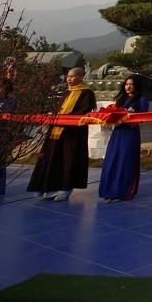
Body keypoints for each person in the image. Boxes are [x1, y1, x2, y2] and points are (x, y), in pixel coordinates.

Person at [27, 67, 97, 202]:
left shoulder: (86, 93)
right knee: (53, 157)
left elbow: (84, 111)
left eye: (72, 76)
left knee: (68, 158)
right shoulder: (67, 92)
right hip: (57, 130)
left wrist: (65, 118)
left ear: (81, 77)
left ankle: (65, 188)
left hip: (73, 133)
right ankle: (48, 188)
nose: (69, 79)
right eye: (68, 77)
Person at [99, 75, 149, 203]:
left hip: (130, 134)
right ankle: (109, 191)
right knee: (112, 161)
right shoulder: (121, 100)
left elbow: (142, 118)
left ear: (136, 85)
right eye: (126, 84)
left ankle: (122, 192)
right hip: (117, 133)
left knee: (124, 162)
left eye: (131, 84)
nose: (128, 86)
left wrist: (128, 117)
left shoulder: (142, 100)